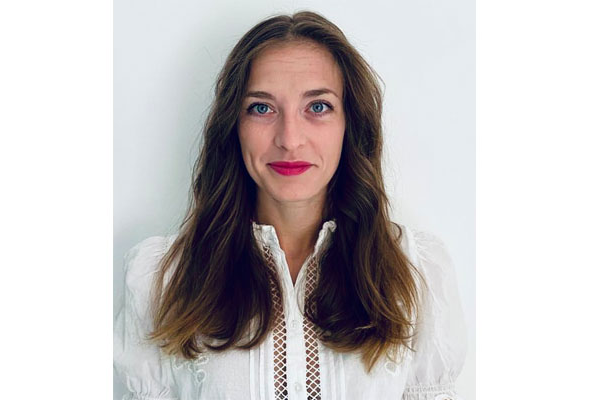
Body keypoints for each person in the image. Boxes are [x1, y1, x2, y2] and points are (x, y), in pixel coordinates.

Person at [114, 10, 466, 400]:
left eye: (318, 107)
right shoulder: (161, 280)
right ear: (234, 126)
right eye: (262, 108)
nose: (290, 138)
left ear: (349, 124)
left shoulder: (417, 275)